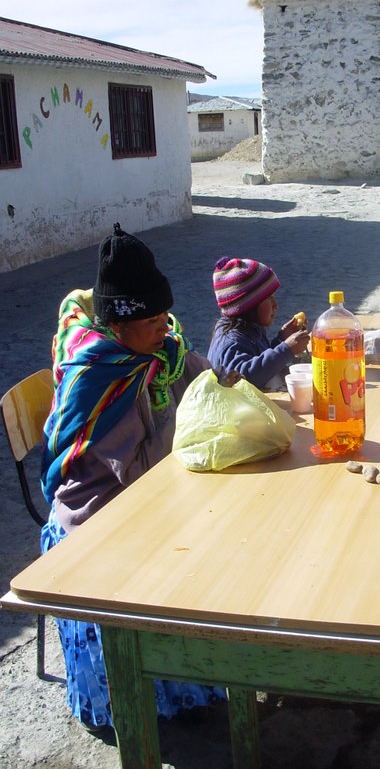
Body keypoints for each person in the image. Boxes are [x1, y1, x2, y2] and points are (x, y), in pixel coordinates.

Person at [40, 223, 228, 732]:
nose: (166, 328)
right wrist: (189, 412)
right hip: (99, 512)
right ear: (119, 325)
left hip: (143, 491)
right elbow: (141, 470)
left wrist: (226, 385)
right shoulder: (105, 375)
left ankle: (201, 678)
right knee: (209, 535)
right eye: (152, 320)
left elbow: (203, 372)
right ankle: (146, 694)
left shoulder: (156, 351)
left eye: (166, 316)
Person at [207, 255, 310, 389]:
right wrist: (286, 350)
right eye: (269, 298)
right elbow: (243, 379)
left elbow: (259, 361)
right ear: (249, 305)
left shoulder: (249, 330)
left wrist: (281, 339)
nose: (276, 305)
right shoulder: (230, 341)